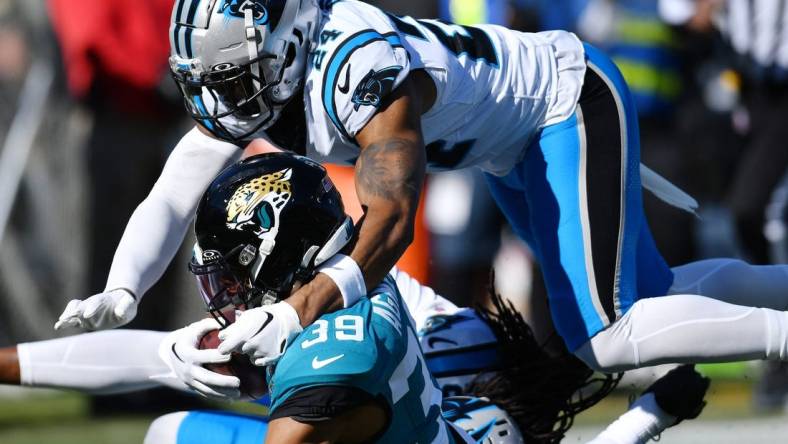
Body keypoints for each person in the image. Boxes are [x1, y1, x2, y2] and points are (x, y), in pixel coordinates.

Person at [55, 0, 788, 376]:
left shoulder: (356, 69)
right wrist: (123, 290)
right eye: (210, 77)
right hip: (511, 146)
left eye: (232, 73)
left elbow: (392, 221)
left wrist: (295, 313)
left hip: (564, 102)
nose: (224, 95)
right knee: (642, 298)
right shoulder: (279, 73)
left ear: (284, 43)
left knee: (605, 335)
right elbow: (171, 195)